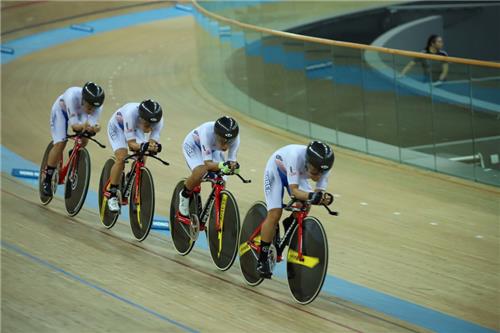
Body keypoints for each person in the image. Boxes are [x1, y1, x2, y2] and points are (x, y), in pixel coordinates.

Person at [257, 141, 335, 278]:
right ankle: (262, 259)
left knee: (307, 204)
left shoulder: (325, 166)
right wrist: (312, 196)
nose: (317, 177)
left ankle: (290, 222)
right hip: (277, 170)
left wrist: (322, 198)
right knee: (275, 214)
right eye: (315, 172)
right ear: (308, 162)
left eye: (321, 173)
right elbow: (294, 192)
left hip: (295, 174)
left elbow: (318, 193)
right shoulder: (295, 156)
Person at [42, 82, 105, 197]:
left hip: (79, 113)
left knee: (85, 138)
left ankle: (74, 154)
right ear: (84, 100)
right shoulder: (72, 96)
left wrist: (95, 128)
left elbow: (92, 124)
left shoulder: (97, 105)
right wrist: (86, 126)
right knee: (61, 143)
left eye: (94, 108)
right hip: (61, 111)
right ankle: (47, 177)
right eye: (90, 107)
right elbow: (75, 126)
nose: (92, 110)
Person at [105, 99, 164, 212]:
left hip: (135, 129)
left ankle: (129, 178)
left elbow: (151, 144)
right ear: (141, 118)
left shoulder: (159, 121)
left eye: (152, 125)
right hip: (118, 127)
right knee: (121, 158)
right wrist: (144, 146)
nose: (150, 127)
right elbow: (132, 145)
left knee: (143, 155)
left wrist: (153, 147)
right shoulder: (130, 114)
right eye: (147, 124)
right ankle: (112, 194)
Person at [178, 116, 240, 219]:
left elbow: (231, 161)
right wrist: (222, 165)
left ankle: (215, 212)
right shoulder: (207, 131)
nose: (225, 147)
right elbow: (208, 164)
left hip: (213, 150)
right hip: (194, 147)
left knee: (221, 180)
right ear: (216, 135)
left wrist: (234, 167)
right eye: (222, 141)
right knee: (200, 172)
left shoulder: (236, 138)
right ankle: (185, 194)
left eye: (228, 142)